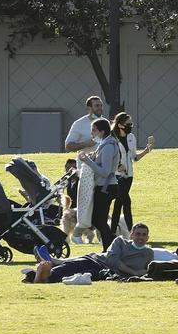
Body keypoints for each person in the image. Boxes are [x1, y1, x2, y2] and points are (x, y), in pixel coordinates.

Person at [25, 222, 154, 283]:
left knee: (80, 274)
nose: (141, 237)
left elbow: (146, 271)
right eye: (138, 234)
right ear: (131, 235)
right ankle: (44, 272)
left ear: (148, 238)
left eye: (144, 235)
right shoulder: (120, 241)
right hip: (96, 261)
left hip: (104, 273)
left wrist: (137, 273)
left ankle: (40, 275)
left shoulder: (148, 253)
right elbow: (112, 260)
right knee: (72, 266)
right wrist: (134, 272)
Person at [65, 96, 105, 243]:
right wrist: (85, 144)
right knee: (87, 203)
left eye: (101, 106)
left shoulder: (104, 123)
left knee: (101, 203)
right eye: (96, 106)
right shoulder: (79, 124)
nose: (100, 109)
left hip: (102, 169)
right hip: (86, 169)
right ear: (89, 108)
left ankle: (101, 235)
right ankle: (77, 233)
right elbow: (68, 146)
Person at [78, 117, 120, 251]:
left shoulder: (108, 146)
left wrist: (88, 162)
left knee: (99, 219)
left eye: (94, 130)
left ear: (102, 131)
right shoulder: (104, 145)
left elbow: (105, 172)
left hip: (106, 187)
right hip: (103, 186)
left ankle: (110, 247)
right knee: (98, 219)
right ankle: (111, 246)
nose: (92, 134)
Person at [109, 112, 152, 235]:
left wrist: (146, 151)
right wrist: (117, 166)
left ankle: (112, 233)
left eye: (131, 124)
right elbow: (108, 157)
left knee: (119, 204)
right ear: (120, 125)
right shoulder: (111, 138)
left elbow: (134, 157)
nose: (130, 126)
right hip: (117, 175)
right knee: (127, 202)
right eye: (128, 124)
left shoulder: (131, 137)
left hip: (129, 175)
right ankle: (132, 232)